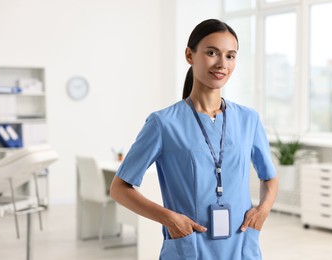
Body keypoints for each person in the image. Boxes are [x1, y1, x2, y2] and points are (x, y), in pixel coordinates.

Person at [110, 18, 278, 259]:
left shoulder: (249, 119)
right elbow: (119, 188)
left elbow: (269, 177)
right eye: (212, 52)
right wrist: (169, 219)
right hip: (189, 247)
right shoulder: (163, 123)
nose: (222, 63)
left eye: (230, 56)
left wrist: (263, 210)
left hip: (240, 246)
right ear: (190, 55)